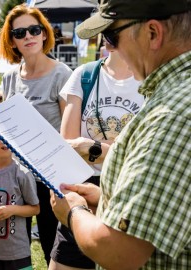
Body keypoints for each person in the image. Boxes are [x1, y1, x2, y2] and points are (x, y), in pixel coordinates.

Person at [50, 0, 191, 269]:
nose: (108, 48)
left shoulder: (171, 114)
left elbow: (119, 251)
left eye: (112, 37)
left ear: (153, 34)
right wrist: (106, 200)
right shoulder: (175, 96)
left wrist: (73, 212)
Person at [49, 46, 144, 270]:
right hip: (83, 184)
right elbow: (70, 143)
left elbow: (144, 149)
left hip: (127, 186)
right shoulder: (85, 74)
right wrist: (111, 149)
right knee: (65, 260)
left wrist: (94, 148)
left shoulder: (149, 80)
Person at [0, 3, 72, 265]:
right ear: (12, 41)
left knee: (54, 244)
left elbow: (70, 131)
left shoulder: (62, 75)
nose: (27, 36)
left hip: (51, 177)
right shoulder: (9, 77)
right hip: (17, 176)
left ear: (43, 33)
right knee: (16, 245)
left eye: (33, 29)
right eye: (19, 33)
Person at [0, 140, 40, 270]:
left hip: (17, 253)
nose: (4, 141)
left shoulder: (23, 173)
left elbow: (35, 208)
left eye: (7, 136)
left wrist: (12, 210)